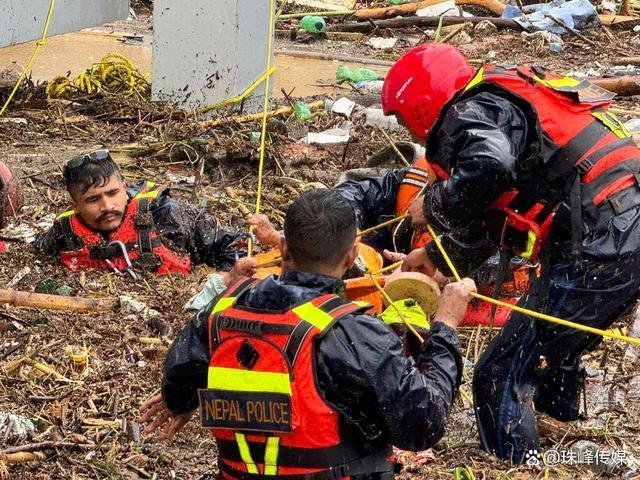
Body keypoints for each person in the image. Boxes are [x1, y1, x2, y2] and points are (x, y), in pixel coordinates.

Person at [381, 43, 640, 463]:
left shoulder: (466, 113)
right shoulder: (497, 100)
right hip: (619, 224)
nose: (410, 133)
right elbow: (505, 208)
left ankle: (517, 466)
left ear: (421, 104)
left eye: (403, 120)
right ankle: (567, 446)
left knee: (497, 375)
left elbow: (490, 166)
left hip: (602, 234)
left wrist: (432, 206)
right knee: (551, 352)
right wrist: (438, 258)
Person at [139, 189, 477, 479]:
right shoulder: (355, 331)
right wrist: (445, 327)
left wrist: (179, 401)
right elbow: (423, 425)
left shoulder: (225, 306)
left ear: (284, 248)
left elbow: (181, 368)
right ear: (353, 255)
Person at [35, 150, 248, 279]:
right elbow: (37, 250)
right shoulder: (64, 233)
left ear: (124, 187)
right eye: (93, 199)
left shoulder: (164, 213)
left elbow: (236, 243)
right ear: (75, 205)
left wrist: (225, 276)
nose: (107, 206)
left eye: (113, 193)